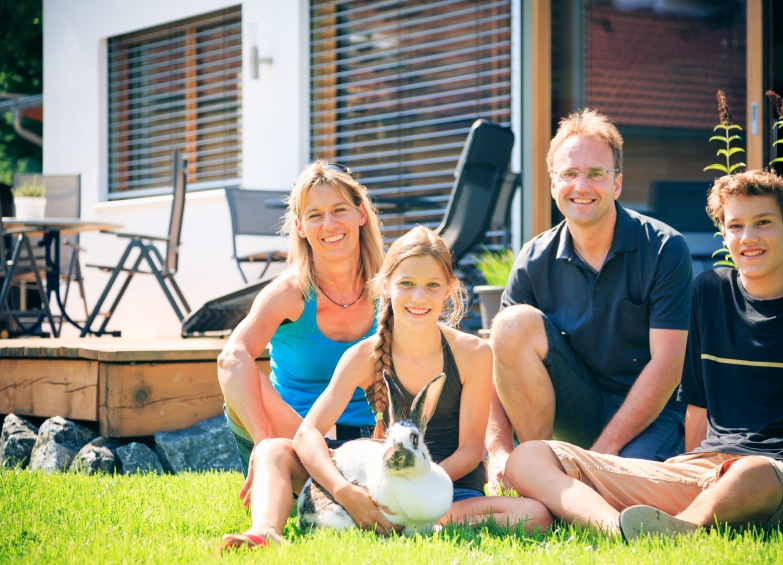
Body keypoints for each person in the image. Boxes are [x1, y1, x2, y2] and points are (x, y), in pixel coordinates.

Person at [505, 169, 783, 539]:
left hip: (777, 475)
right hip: (701, 468)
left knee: (752, 472)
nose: (748, 238)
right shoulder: (711, 290)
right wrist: (682, 469)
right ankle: (616, 528)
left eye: (763, 223)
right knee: (528, 457)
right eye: (735, 226)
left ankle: (679, 528)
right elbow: (697, 407)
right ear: (724, 235)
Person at [293, 226, 552, 535]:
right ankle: (408, 525)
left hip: (450, 493)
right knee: (274, 451)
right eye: (406, 283)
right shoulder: (362, 356)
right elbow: (306, 434)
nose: (419, 297)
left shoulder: (474, 353)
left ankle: (417, 525)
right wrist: (344, 491)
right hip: (390, 491)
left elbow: (470, 452)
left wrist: (423, 487)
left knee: (535, 515)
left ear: (448, 289)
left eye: (432, 285)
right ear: (386, 285)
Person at [486, 109, 693, 490]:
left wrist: (602, 453)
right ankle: (538, 469)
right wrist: (499, 449)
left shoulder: (665, 248)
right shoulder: (533, 260)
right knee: (511, 325)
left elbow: (668, 365)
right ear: (553, 183)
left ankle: (569, 478)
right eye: (569, 173)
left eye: (596, 173)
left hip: (653, 413)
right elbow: (500, 358)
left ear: (616, 183)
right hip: (578, 407)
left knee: (621, 488)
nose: (581, 186)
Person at [217, 160, 384, 548]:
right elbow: (231, 359)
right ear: (300, 227)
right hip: (299, 442)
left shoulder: (389, 289)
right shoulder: (289, 292)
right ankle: (265, 532)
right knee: (249, 387)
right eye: (315, 215)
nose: (329, 224)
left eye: (339, 210)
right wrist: (262, 438)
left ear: (361, 214)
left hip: (370, 446)